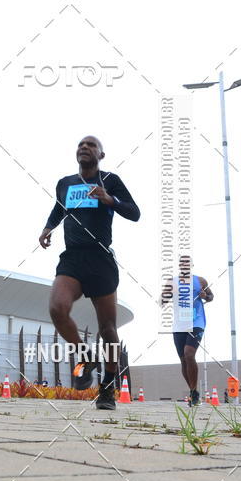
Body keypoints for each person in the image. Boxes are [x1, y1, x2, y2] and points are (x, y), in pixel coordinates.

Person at [39, 136, 140, 410]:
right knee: (57, 309)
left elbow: (134, 213)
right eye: (81, 144)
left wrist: (109, 198)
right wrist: (48, 228)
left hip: (100, 257)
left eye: (91, 145)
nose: (84, 147)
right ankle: (86, 356)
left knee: (107, 327)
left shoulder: (110, 180)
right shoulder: (65, 183)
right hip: (72, 257)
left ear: (101, 155)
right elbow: (59, 208)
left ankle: (107, 385)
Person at [163, 256, 213, 407]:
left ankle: (194, 391)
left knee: (189, 354)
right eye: (182, 263)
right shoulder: (172, 282)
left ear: (191, 265)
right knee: (183, 359)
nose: (184, 265)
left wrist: (206, 296)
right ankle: (193, 391)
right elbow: (163, 300)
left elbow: (211, 296)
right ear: (179, 266)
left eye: (187, 262)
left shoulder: (200, 281)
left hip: (196, 322)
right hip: (179, 324)